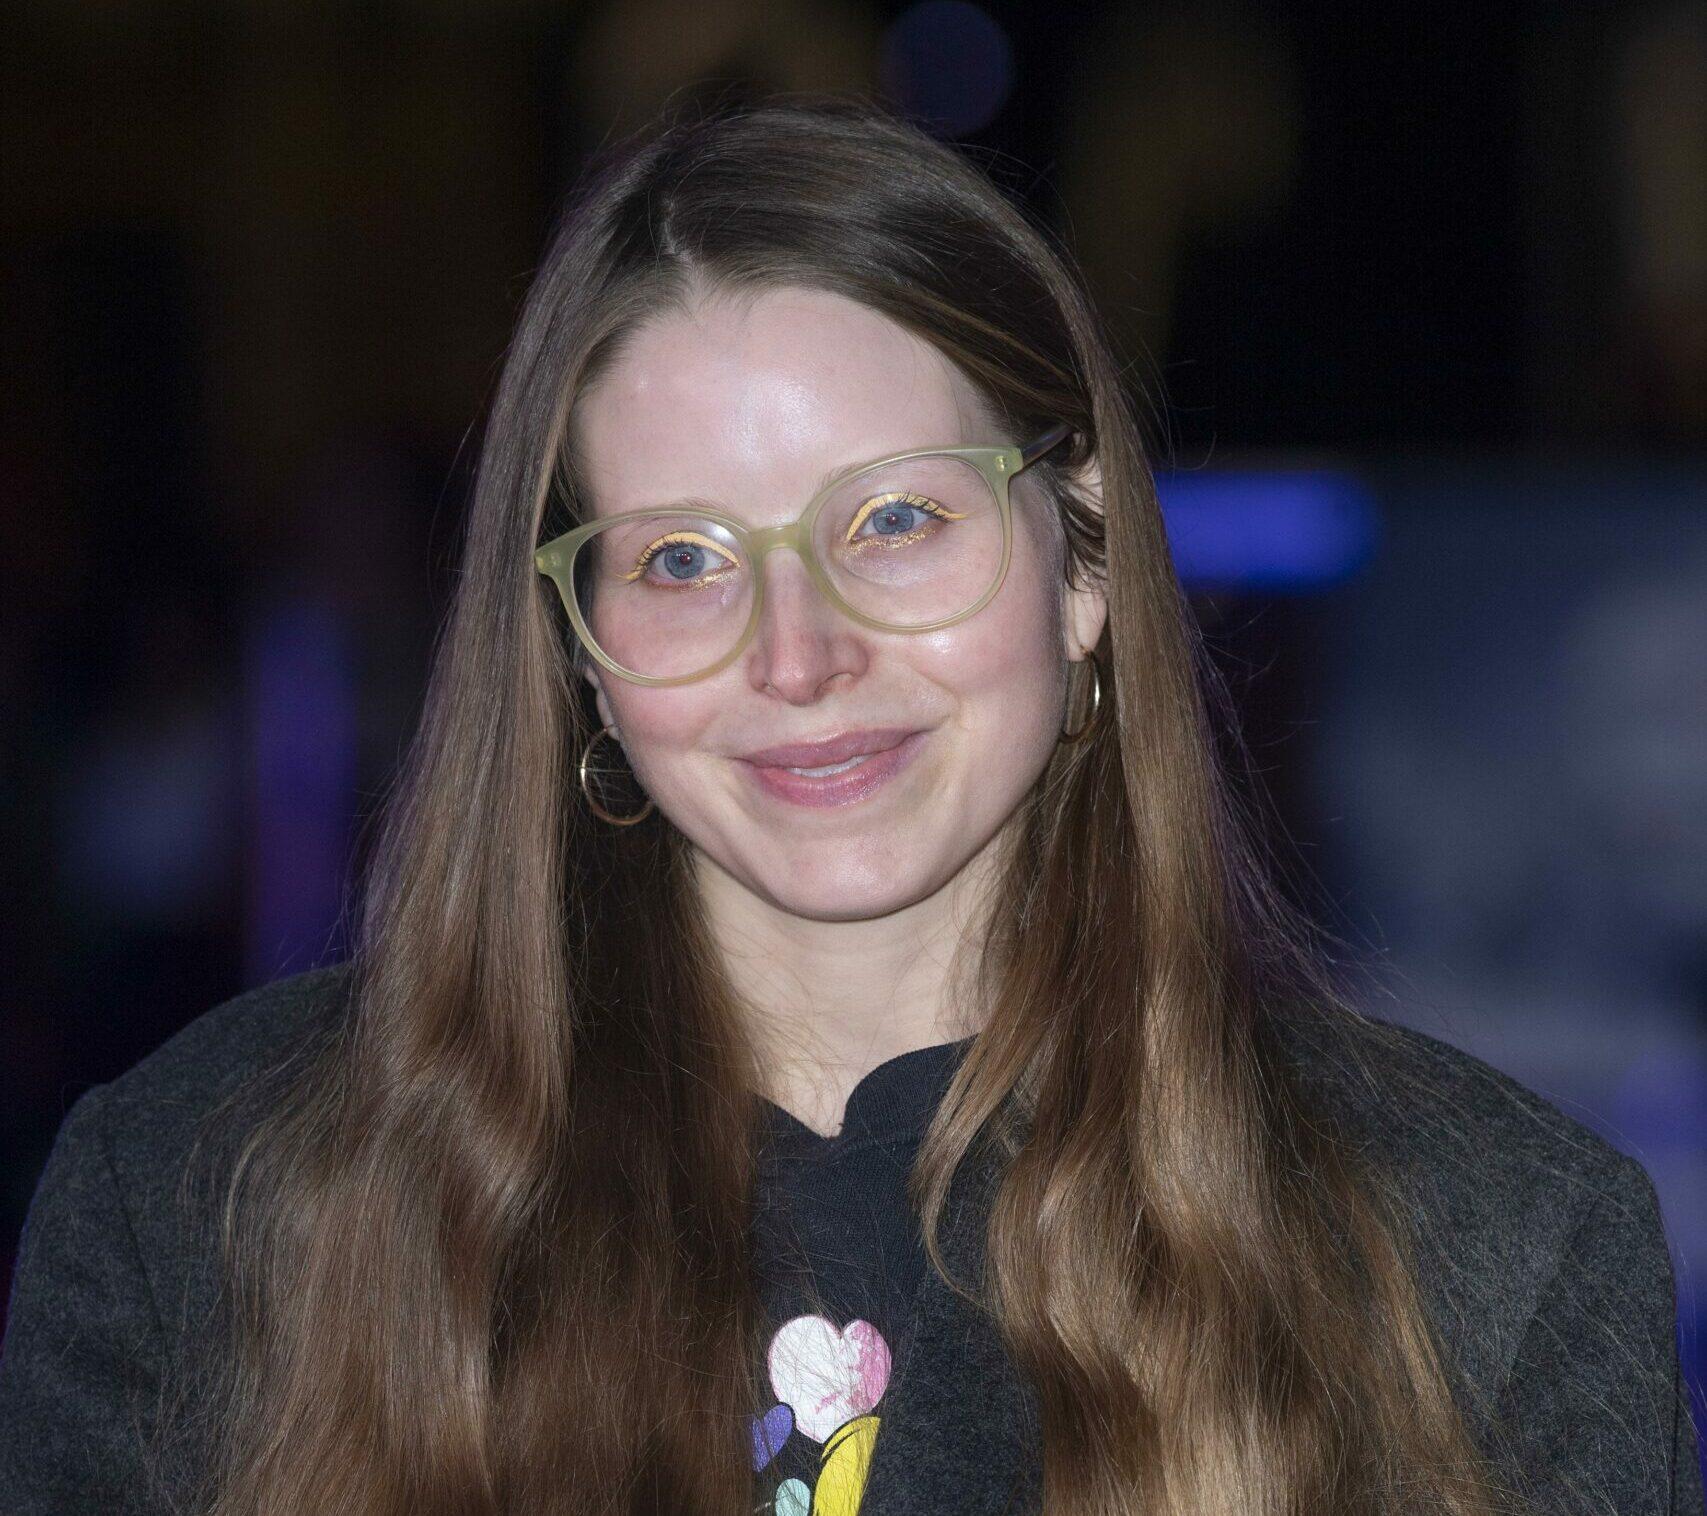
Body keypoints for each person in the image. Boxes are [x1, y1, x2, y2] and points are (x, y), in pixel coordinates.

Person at [1, 95, 1701, 1516]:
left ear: (1084, 552)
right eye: (681, 559)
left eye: (894, 521)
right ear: (582, 649)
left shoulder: (1484, 1252)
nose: (798, 655)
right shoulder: (204, 1208)